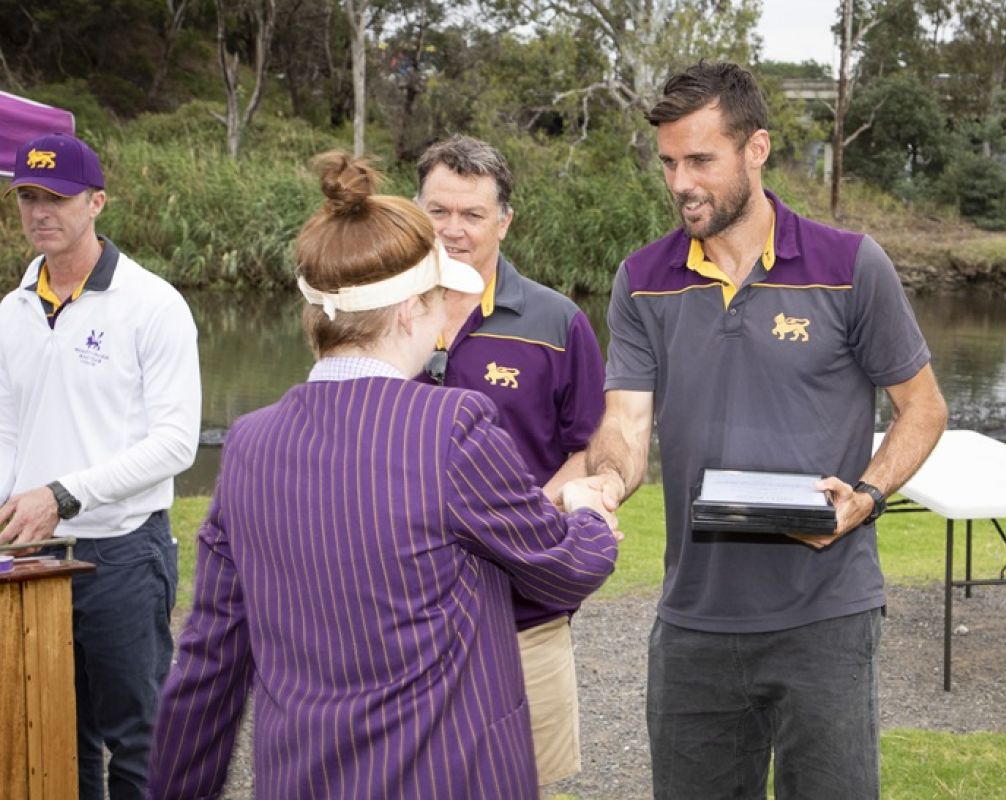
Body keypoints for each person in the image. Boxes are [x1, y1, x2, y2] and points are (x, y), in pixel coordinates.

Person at [147, 152, 620, 800]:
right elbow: (566, 564)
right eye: (437, 297)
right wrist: (587, 512)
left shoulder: (250, 443)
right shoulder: (454, 426)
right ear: (409, 313)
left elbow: (208, 665)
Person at [568, 62, 949, 799]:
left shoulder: (850, 266)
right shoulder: (642, 279)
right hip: (694, 624)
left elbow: (924, 407)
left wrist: (865, 496)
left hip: (826, 616)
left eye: (701, 160)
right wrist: (607, 481)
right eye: (670, 162)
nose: (681, 182)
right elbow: (625, 420)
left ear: (756, 149)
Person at [0, 132, 201, 800]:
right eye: (28, 197)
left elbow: (177, 443)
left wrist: (63, 493)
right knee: (57, 732)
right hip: (30, 555)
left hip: (121, 553)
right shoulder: (13, 309)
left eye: (56, 198)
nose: (40, 212)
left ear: (97, 203)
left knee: (138, 733)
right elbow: (7, 429)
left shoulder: (153, 305)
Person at [414, 134, 606, 787]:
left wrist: (518, 522)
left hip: (525, 615)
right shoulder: (382, 314)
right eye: (439, 211)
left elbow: (591, 447)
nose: (453, 231)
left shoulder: (558, 322)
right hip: (405, 616)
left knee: (523, 782)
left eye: (472, 215)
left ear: (505, 221)